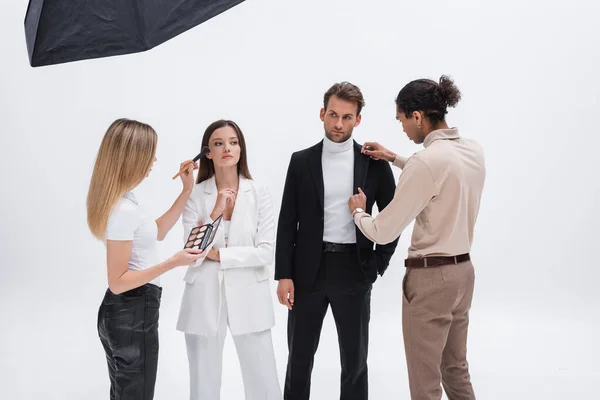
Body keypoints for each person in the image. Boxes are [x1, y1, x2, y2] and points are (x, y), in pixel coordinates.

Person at [348, 75, 486, 400]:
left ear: (418, 117)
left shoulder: (426, 163)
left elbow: (383, 231)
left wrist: (358, 212)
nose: (403, 129)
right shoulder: (472, 151)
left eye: (402, 120)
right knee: (456, 371)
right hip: (463, 274)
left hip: (429, 282)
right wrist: (395, 157)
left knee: (424, 387)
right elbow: (441, 174)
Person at [275, 82, 400, 400]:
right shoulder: (301, 161)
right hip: (307, 272)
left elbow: (395, 216)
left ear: (358, 119)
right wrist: (284, 275)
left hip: (354, 270)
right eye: (333, 114)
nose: (338, 124)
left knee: (355, 362)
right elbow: (288, 221)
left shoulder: (374, 163)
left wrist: (377, 263)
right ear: (322, 113)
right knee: (299, 359)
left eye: (347, 117)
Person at [87, 118, 205, 400]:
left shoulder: (124, 201)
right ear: (133, 156)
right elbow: (117, 282)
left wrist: (187, 190)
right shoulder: (123, 210)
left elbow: (158, 232)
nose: (154, 159)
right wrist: (172, 262)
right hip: (131, 313)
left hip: (127, 314)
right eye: (150, 152)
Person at [176, 119, 282, 400]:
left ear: (241, 148)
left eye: (233, 142)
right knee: (203, 383)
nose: (227, 148)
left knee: (263, 380)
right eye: (218, 143)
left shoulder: (259, 192)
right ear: (207, 153)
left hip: (250, 294)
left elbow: (266, 251)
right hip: (203, 296)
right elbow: (191, 251)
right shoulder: (196, 194)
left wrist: (219, 255)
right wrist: (216, 211)